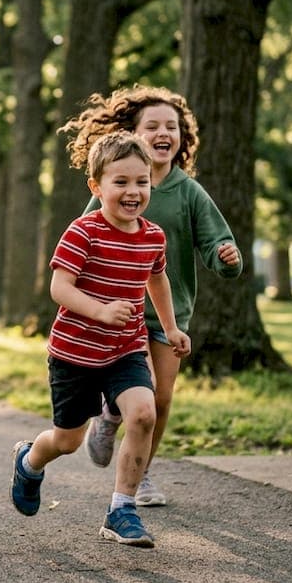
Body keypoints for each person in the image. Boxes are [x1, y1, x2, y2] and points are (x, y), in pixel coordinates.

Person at [60, 85, 242, 508]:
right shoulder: (111, 188)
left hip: (169, 315)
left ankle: (138, 466)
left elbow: (217, 243)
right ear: (134, 135)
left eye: (172, 126)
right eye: (153, 125)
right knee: (136, 394)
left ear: (182, 138)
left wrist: (225, 256)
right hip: (120, 312)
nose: (164, 132)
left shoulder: (189, 192)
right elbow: (83, 237)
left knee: (160, 399)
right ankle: (114, 422)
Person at [10, 132, 190, 548]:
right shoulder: (83, 231)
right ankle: (29, 461)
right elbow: (60, 288)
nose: (133, 192)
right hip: (74, 353)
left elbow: (156, 278)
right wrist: (101, 310)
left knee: (144, 413)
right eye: (121, 182)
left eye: (141, 182)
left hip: (125, 348)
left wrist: (171, 327)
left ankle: (121, 509)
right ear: (97, 187)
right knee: (68, 440)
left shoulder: (152, 236)